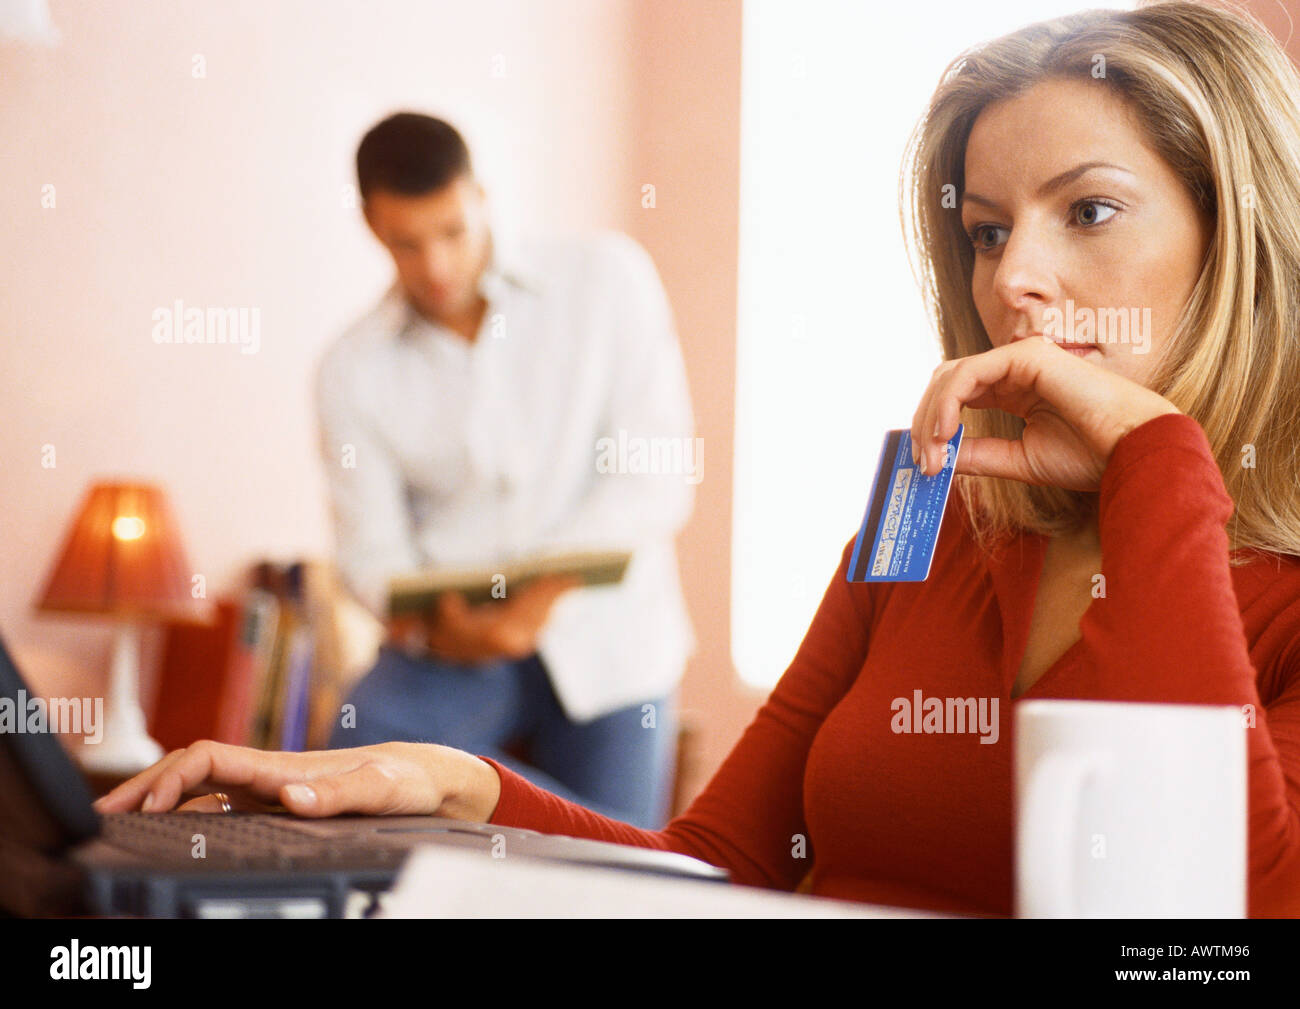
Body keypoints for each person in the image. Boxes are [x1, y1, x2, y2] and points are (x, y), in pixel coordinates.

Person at [97, 3, 1300, 917]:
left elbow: (1207, 922)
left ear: (1238, 232)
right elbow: (720, 869)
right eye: (984, 230)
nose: (1009, 280)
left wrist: (1159, 460)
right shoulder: (919, 515)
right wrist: (458, 785)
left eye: (1086, 211)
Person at [312, 113, 698, 829]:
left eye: (452, 232)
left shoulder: (608, 278)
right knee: (358, 744)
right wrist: (440, 633)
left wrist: (539, 595)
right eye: (407, 242)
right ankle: (572, 841)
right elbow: (369, 556)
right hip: (454, 645)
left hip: (610, 631)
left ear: (480, 195)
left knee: (612, 879)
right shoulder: (350, 370)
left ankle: (593, 852)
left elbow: (658, 474)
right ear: (371, 224)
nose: (435, 266)